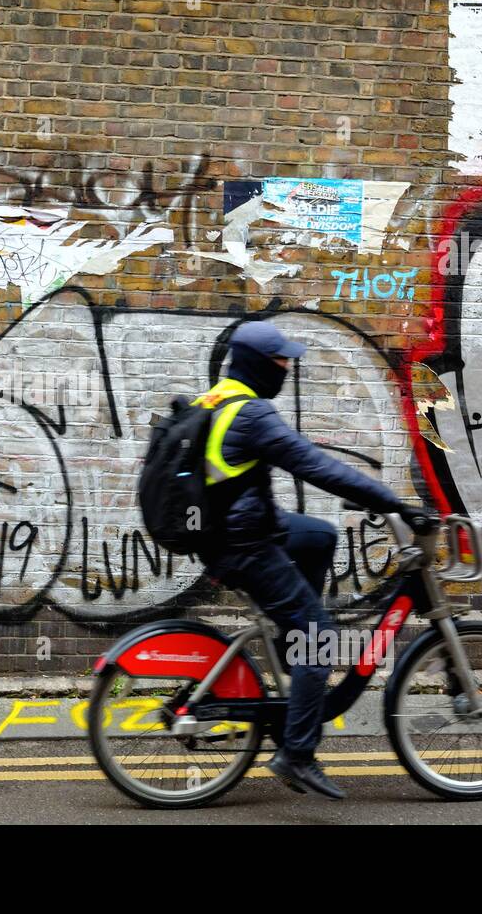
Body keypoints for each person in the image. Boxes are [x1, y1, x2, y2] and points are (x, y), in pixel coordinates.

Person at [194, 321, 427, 800]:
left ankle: (290, 650)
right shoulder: (251, 413)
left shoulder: (215, 400)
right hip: (244, 545)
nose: (286, 367)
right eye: (279, 360)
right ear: (257, 363)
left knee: (318, 536)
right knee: (319, 636)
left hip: (236, 530)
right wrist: (391, 501)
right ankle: (297, 751)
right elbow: (315, 465)